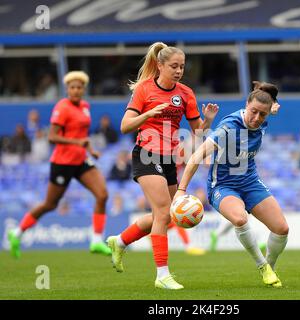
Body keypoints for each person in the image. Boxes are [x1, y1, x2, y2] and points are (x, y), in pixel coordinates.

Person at [106, 42, 219, 290]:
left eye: (182, 67)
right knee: (162, 212)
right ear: (160, 65)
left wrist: (208, 118)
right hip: (146, 154)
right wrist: (148, 114)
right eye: (174, 66)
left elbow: (198, 132)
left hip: (169, 159)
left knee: (166, 216)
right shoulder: (145, 89)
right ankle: (162, 275)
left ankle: (121, 241)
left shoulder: (186, 93)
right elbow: (125, 125)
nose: (179, 71)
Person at [174, 81, 288, 288]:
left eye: (262, 114)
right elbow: (197, 156)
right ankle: (262, 267)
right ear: (246, 104)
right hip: (223, 186)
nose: (256, 119)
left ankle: (270, 265)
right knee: (240, 218)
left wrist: (273, 108)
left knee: (282, 228)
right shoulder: (228, 128)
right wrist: (181, 190)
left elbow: (270, 105)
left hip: (250, 181)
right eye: (253, 112)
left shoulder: (263, 116)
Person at [7, 71, 111, 258]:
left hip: (81, 160)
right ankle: (17, 233)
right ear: (67, 89)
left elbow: (82, 136)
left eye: (79, 87)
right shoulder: (62, 107)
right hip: (62, 163)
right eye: (72, 87)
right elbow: (52, 136)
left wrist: (90, 149)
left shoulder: (85, 107)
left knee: (102, 195)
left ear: (83, 89)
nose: (76, 90)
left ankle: (96, 240)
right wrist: (77, 143)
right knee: (50, 204)